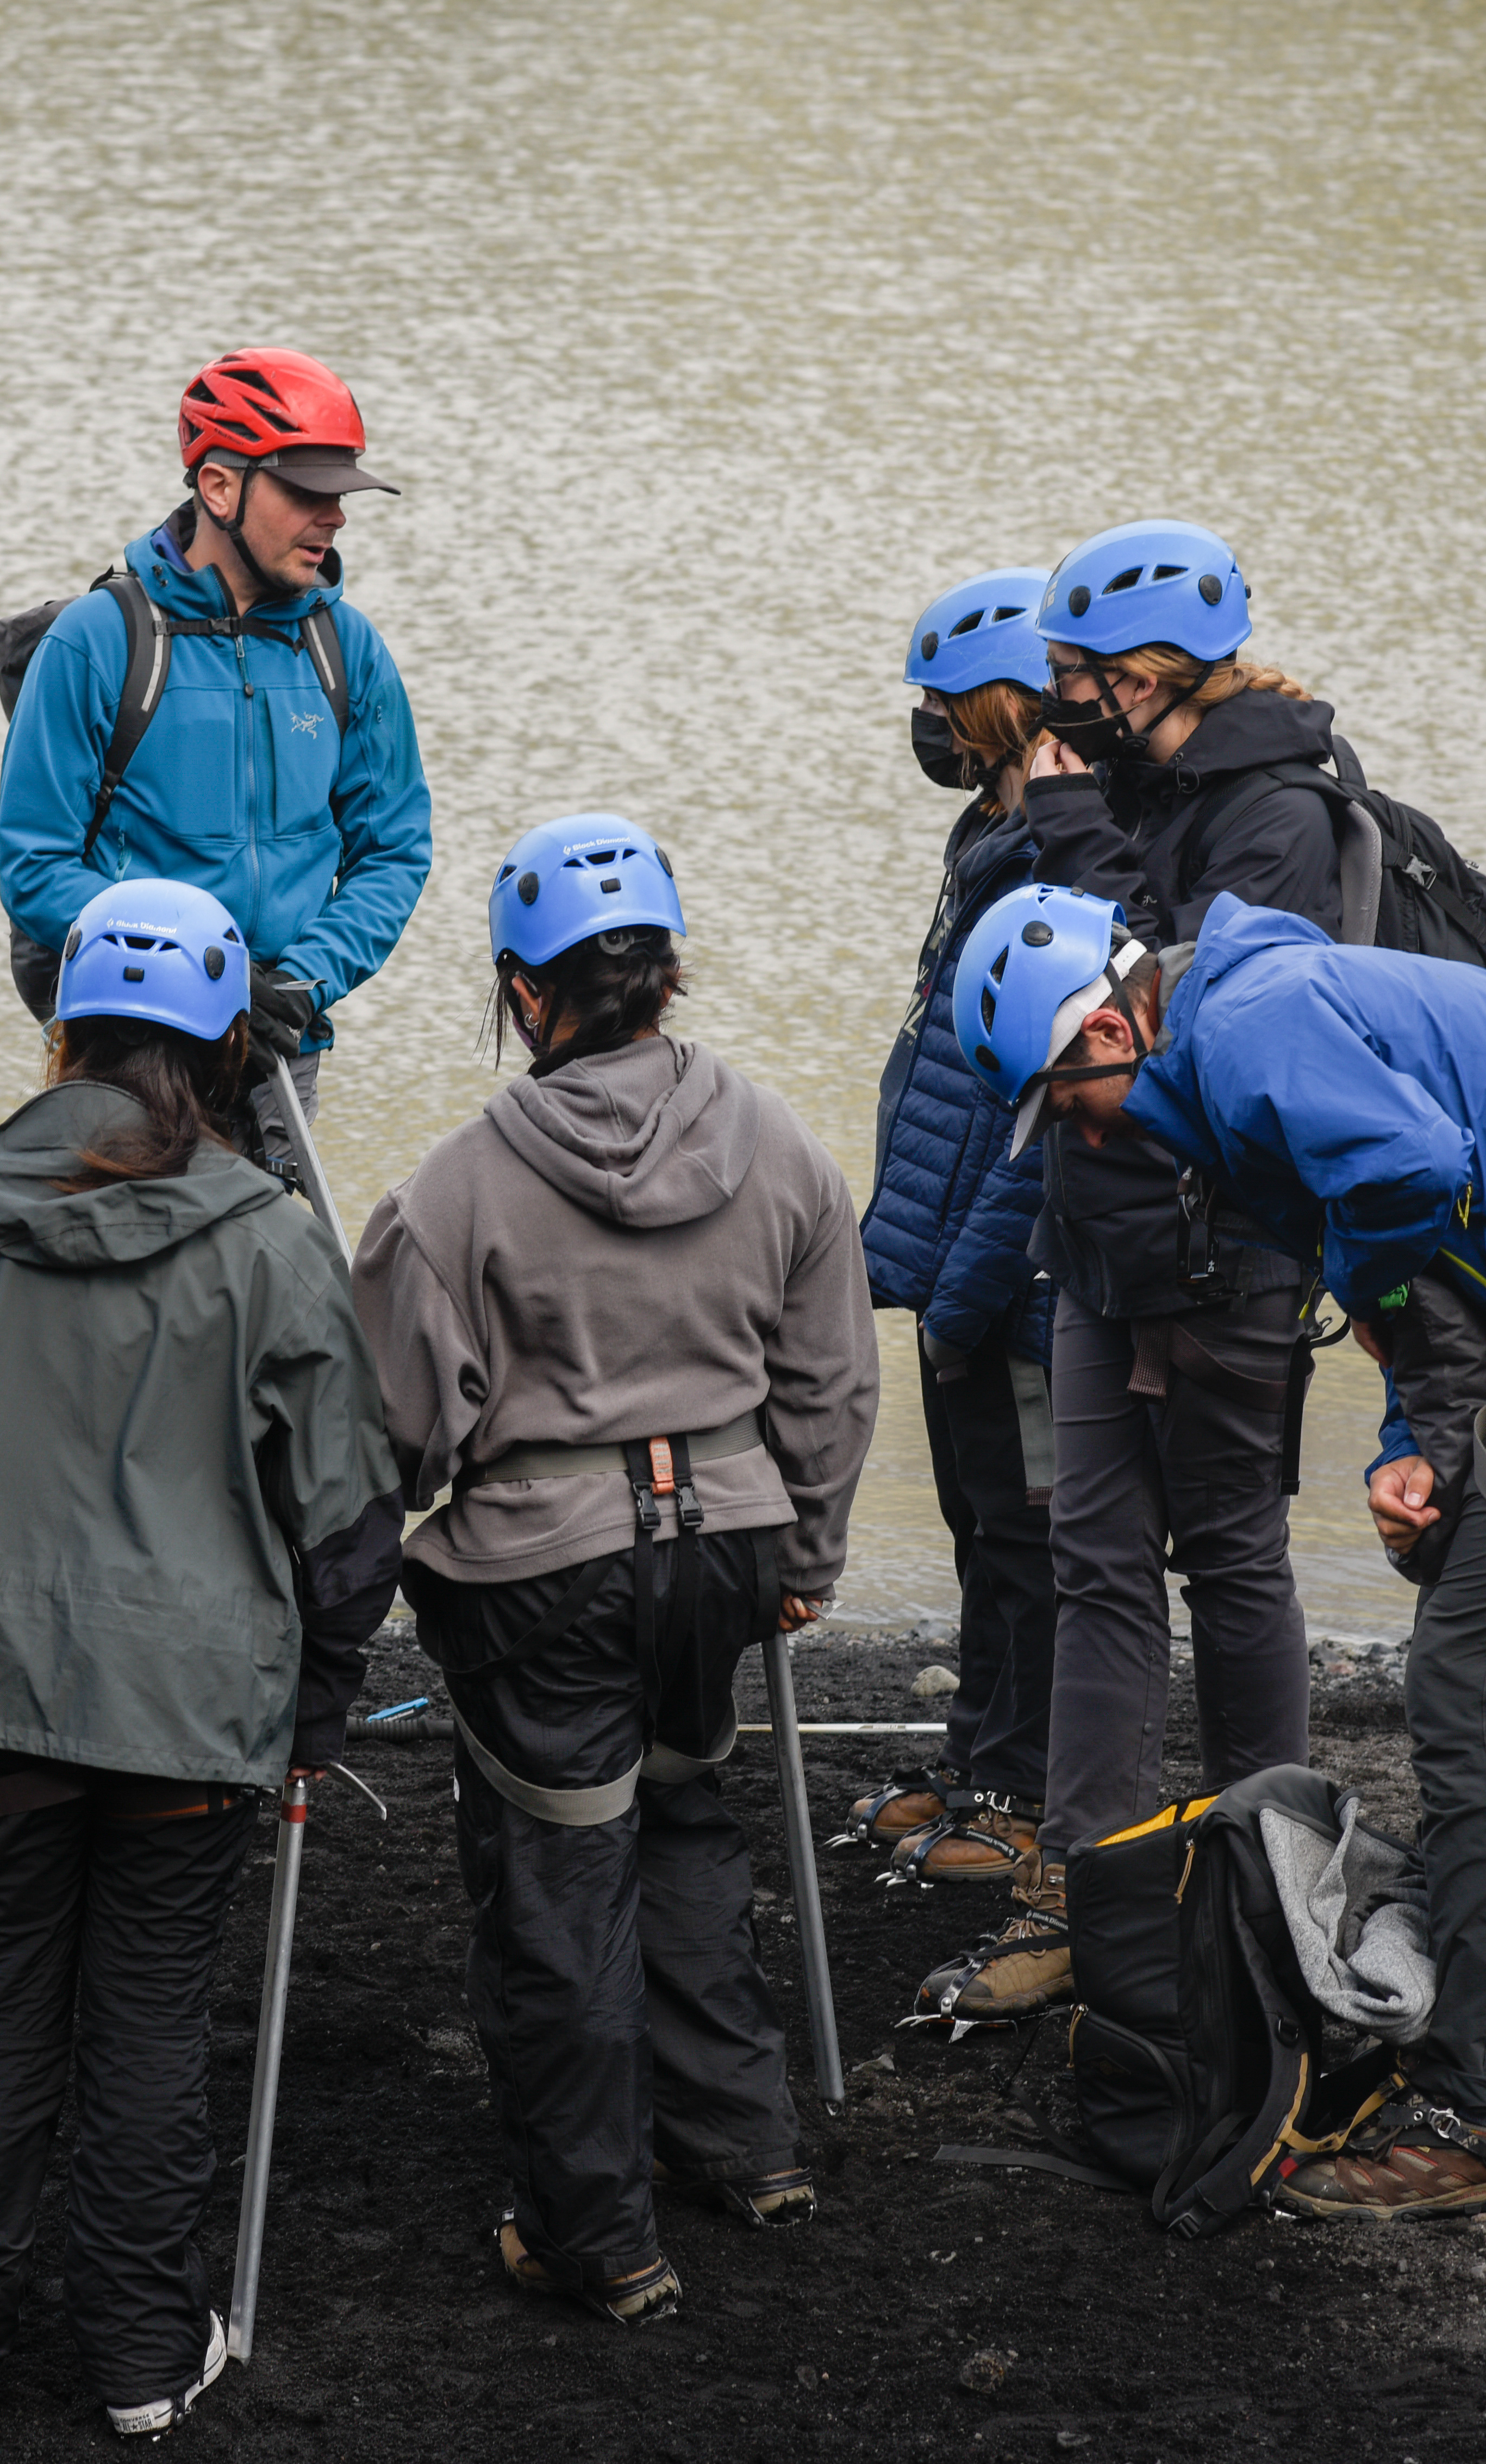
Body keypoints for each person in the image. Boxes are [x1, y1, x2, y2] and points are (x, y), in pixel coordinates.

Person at [962, 884, 1486, 2215]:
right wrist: (1415, 1439)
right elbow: (1428, 1269)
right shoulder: (1242, 1018)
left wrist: (1416, 1366)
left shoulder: (1245, 1024)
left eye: (1065, 1099)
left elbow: (1408, 1178)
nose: (1076, 1128)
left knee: (1474, 1685)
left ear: (1107, 1034)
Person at [0, 878, 397, 2445]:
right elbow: (348, 1517)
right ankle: (145, 2363)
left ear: (63, 1020)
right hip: (189, 1704)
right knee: (146, 2027)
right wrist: (319, 1702)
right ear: (224, 1048)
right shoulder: (270, 1239)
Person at [349, 816, 878, 2323]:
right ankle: (746, 2145)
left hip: (544, 1571)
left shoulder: (447, 1191)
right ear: (668, 977)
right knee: (684, 1817)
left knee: (557, 1880)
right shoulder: (778, 1141)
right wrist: (812, 1556)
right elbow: (831, 1385)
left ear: (527, 995)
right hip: (722, 1553)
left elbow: (394, 1430)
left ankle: (598, 2234)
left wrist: (370, 1556)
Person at [921, 518, 1335, 2030]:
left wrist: (1080, 831)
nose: (1064, 700)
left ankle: (1265, 1884)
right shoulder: (1154, 780)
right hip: (1096, 1225)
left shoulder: (1279, 814)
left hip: (1229, 1252)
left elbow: (1192, 1013)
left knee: (1229, 1563)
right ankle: (1082, 1896)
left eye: (1085, 674)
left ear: (1156, 668)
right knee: (1098, 1562)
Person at [0, 346, 433, 1137]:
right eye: (307, 491)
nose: (334, 516)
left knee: (267, 1261)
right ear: (220, 486)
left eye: (341, 492)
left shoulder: (348, 649)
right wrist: (201, 972)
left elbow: (393, 850)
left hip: (278, 1047)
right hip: (129, 1047)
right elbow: (35, 867)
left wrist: (303, 980)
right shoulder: (98, 642)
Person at [849, 569, 1063, 1884]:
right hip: (953, 1253)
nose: (924, 720)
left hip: (1020, 1263)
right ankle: (980, 1758)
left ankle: (1031, 1791)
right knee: (977, 1517)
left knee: (1033, 1533)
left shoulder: (1061, 849)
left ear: (1002, 698)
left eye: (939, 697)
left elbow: (1040, 1102)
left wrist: (980, 1270)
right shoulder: (990, 831)